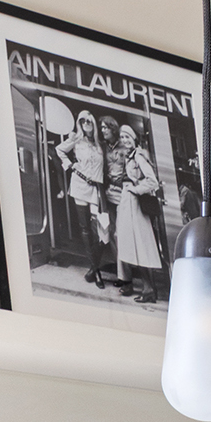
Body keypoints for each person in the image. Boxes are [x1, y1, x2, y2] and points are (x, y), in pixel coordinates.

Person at [111, 122, 167, 302]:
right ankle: (145, 288)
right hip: (128, 205)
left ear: (134, 138)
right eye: (122, 137)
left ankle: (149, 289)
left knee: (140, 246)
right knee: (132, 246)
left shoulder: (139, 156)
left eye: (127, 136)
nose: (124, 140)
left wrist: (135, 189)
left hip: (135, 206)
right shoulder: (129, 156)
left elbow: (152, 181)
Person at [54, 109, 109, 282]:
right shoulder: (76, 139)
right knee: (85, 228)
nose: (86, 124)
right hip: (79, 186)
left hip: (96, 189)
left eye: (89, 121)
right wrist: (70, 165)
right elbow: (59, 150)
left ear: (93, 122)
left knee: (102, 231)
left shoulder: (101, 144)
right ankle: (96, 270)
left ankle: (93, 268)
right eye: (82, 121)